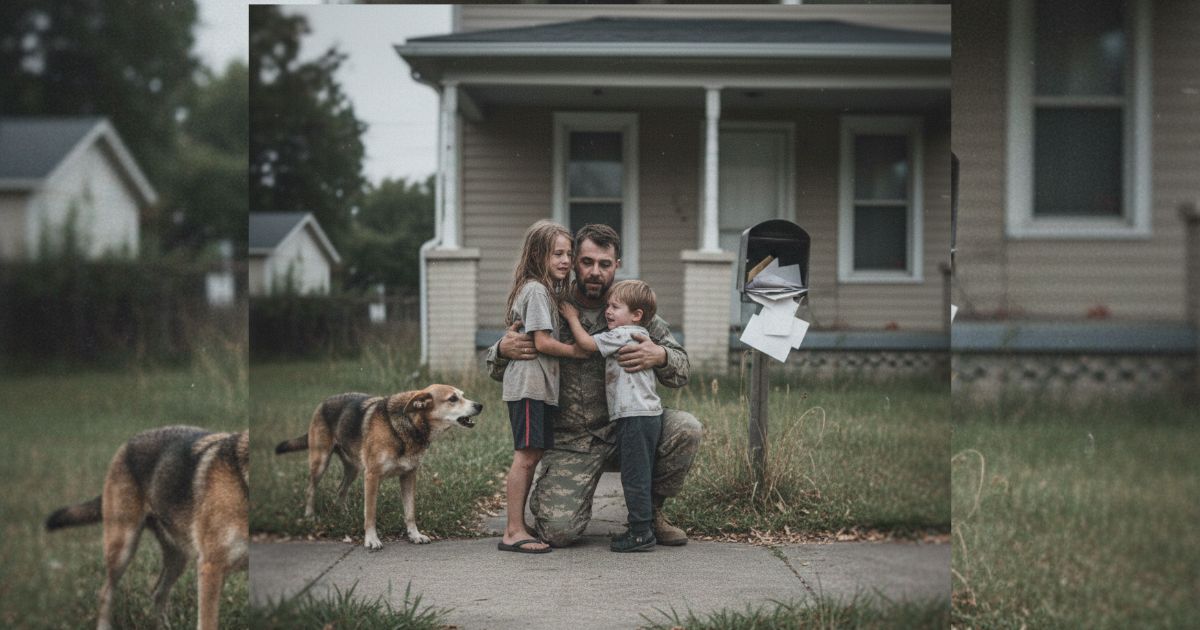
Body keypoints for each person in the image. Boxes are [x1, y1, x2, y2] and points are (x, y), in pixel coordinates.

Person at [486, 223, 703, 548]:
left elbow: (682, 370)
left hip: (627, 426)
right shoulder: (551, 304)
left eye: (605, 264)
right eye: (587, 262)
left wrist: (660, 355)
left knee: (686, 428)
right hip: (572, 440)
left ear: (617, 265)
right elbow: (500, 367)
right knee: (558, 532)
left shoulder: (632, 310)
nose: (595, 272)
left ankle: (647, 515)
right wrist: (502, 350)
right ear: (574, 261)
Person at [560, 280, 663, 552]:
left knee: (634, 476)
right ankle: (643, 527)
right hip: (644, 415)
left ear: (636, 315)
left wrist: (571, 317)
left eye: (615, 307)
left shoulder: (623, 333)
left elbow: (585, 344)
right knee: (640, 472)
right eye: (608, 305)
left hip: (634, 416)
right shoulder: (638, 333)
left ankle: (641, 533)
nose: (608, 311)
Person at [496, 220, 578, 554]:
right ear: (537, 255)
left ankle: (517, 525)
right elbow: (542, 342)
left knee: (532, 454)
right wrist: (578, 351)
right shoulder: (537, 291)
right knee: (526, 457)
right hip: (530, 386)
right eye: (557, 253)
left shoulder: (541, 291)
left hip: (537, 387)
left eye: (568, 254)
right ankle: (513, 531)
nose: (565, 260)